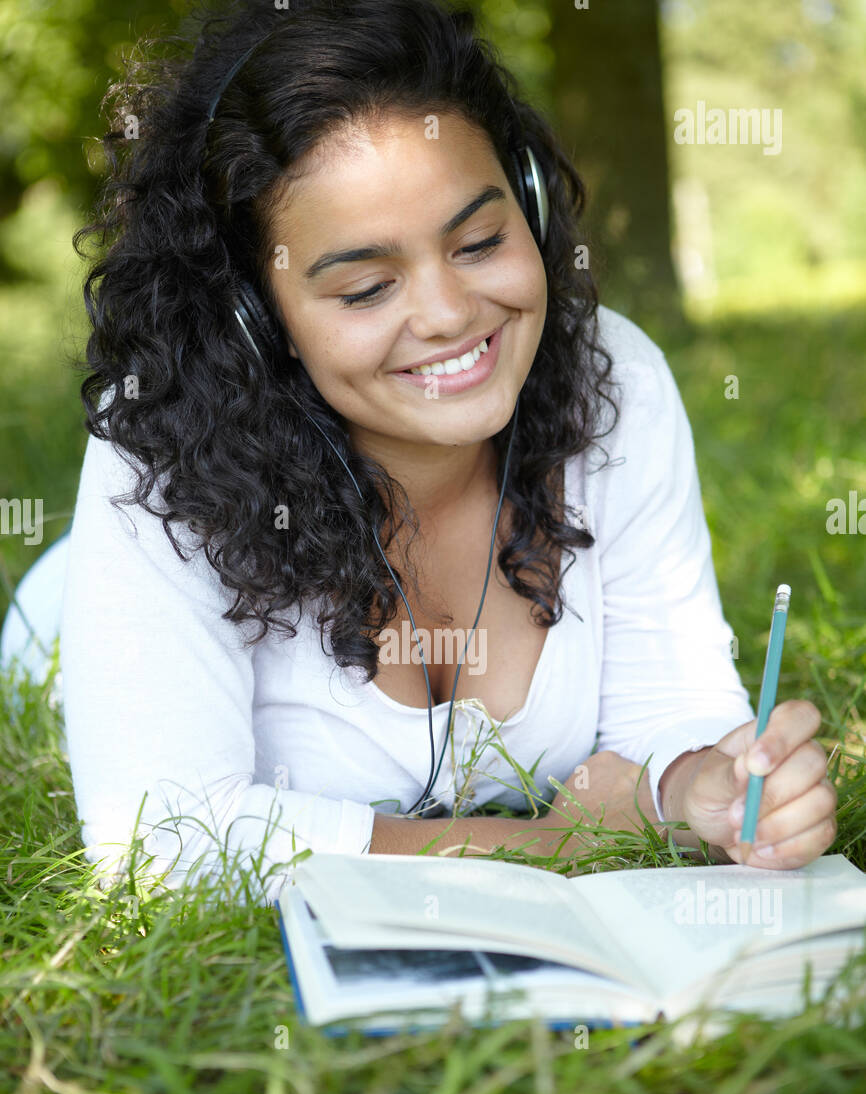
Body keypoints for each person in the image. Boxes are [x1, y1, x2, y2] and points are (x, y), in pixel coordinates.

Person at [9, 0, 834, 901]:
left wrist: (702, 788)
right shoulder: (155, 456)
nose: (448, 317)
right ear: (256, 318)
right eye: (366, 289)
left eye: (480, 241)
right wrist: (551, 844)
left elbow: (669, 708)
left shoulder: (617, 380)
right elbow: (160, 839)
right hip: (70, 615)